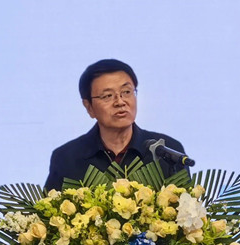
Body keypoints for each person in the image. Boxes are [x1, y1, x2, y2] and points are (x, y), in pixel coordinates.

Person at [44, 59, 187, 191]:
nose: (120, 102)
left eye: (126, 92)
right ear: (89, 107)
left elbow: (186, 206)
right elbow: (49, 209)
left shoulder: (167, 152)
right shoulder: (67, 158)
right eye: (108, 96)